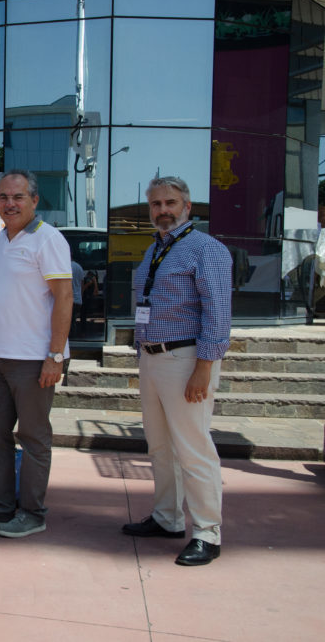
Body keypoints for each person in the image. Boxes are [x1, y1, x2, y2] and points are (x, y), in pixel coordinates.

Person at [0, 170, 73, 538]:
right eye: (3, 197)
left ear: (35, 201)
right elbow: (0, 292)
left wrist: (55, 356)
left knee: (34, 438)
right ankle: (0, 506)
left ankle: (33, 513)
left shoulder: (47, 240)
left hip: (34, 359)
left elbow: (64, 297)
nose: (9, 204)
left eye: (18, 197)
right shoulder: (3, 238)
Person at [122, 175, 232, 567]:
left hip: (187, 360)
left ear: (188, 207)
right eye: (155, 204)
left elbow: (217, 316)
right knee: (160, 447)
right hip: (153, 359)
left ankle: (207, 533)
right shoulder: (156, 248)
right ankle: (168, 518)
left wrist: (205, 368)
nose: (163, 210)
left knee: (193, 448)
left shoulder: (206, 249)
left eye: (170, 203)